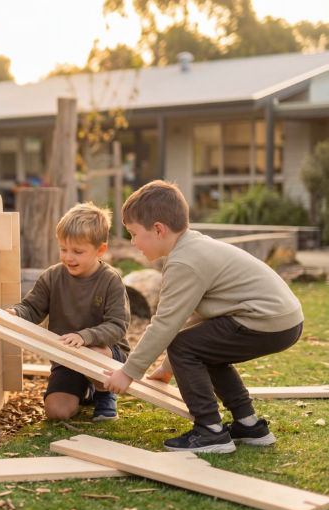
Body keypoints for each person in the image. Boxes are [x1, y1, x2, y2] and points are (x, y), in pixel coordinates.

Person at [104, 181, 303, 453]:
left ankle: (210, 431)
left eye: (134, 233)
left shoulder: (184, 262)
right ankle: (249, 425)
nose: (132, 242)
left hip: (266, 320)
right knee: (204, 349)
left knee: (184, 347)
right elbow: (191, 321)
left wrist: (128, 372)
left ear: (158, 229)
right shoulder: (192, 247)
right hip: (282, 320)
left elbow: (165, 324)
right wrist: (168, 367)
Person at [8, 202, 131, 422]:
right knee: (57, 412)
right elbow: (32, 308)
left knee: (92, 352)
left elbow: (117, 326)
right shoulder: (52, 276)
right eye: (63, 249)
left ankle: (103, 393)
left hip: (105, 354)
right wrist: (16, 313)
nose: (68, 257)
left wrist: (85, 336)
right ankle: (86, 390)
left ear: (100, 250)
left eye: (77, 252)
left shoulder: (110, 280)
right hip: (67, 356)